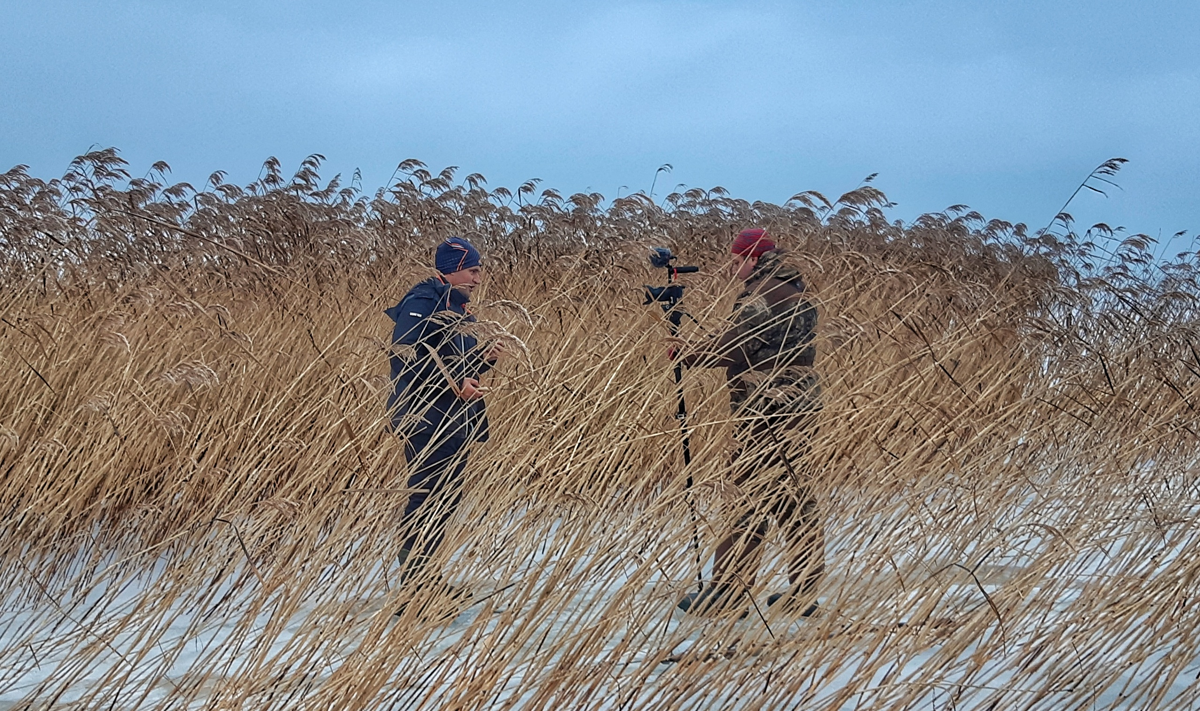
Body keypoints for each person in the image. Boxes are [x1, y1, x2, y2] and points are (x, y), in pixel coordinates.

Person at [673, 227, 824, 617]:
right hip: (801, 408)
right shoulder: (798, 292)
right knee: (794, 497)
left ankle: (728, 593)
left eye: (736, 260)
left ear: (752, 258)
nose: (731, 268)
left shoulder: (760, 295)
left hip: (764, 411)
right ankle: (805, 592)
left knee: (744, 495)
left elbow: (735, 348)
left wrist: (687, 354)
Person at [385, 236, 500, 590]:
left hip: (451, 419)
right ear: (451, 270)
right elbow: (408, 355)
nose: (478, 279)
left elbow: (452, 361)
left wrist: (484, 359)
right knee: (427, 497)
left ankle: (428, 580)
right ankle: (415, 587)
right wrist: (454, 385)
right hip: (426, 418)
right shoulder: (423, 302)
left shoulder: (456, 307)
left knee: (445, 499)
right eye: (472, 271)